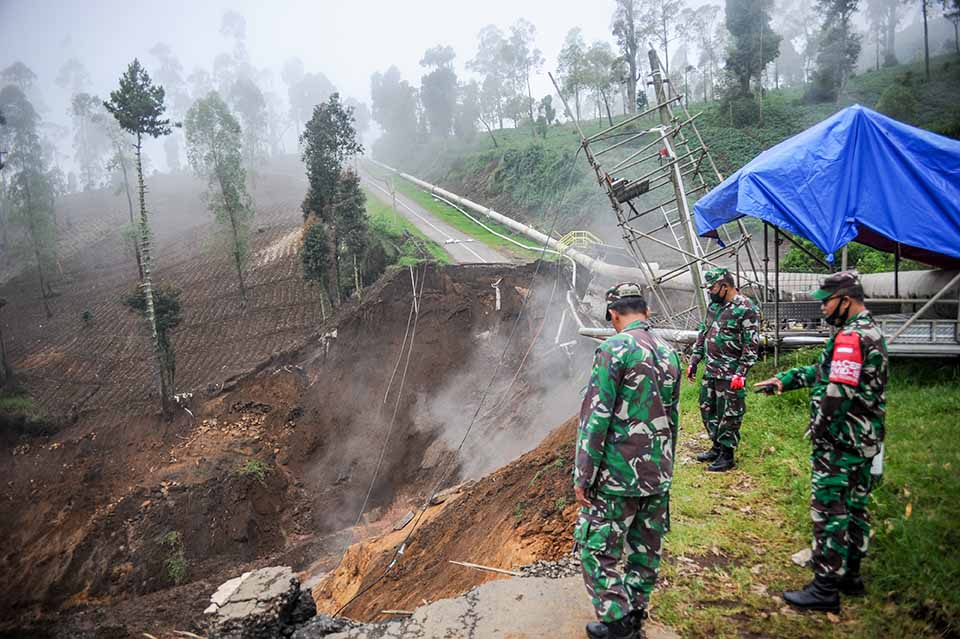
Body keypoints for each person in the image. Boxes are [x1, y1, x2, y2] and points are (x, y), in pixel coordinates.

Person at [754, 271, 887, 612]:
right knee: (855, 506)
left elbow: (838, 390)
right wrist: (785, 379)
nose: (823, 308)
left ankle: (825, 588)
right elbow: (825, 372)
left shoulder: (850, 338)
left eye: (827, 301)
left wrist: (820, 429)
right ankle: (850, 576)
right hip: (863, 439)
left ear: (846, 300)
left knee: (829, 510)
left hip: (840, 442)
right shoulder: (869, 330)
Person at [574, 283, 681, 639]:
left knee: (596, 548)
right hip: (657, 472)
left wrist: (583, 475)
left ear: (613, 315)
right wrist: (666, 467)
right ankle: (634, 614)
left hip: (618, 475)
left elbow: (596, 418)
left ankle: (618, 622)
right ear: (647, 312)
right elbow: (673, 417)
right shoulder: (669, 352)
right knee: (645, 549)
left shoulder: (613, 349)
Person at [687, 267, 760, 472]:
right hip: (711, 369)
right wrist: (694, 360)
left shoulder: (746, 308)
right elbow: (703, 333)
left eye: (712, 288)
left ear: (725, 286)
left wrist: (741, 372)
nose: (710, 292)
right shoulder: (714, 307)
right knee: (707, 408)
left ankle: (727, 455)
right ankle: (716, 447)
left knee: (730, 413)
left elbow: (751, 344)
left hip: (731, 373)